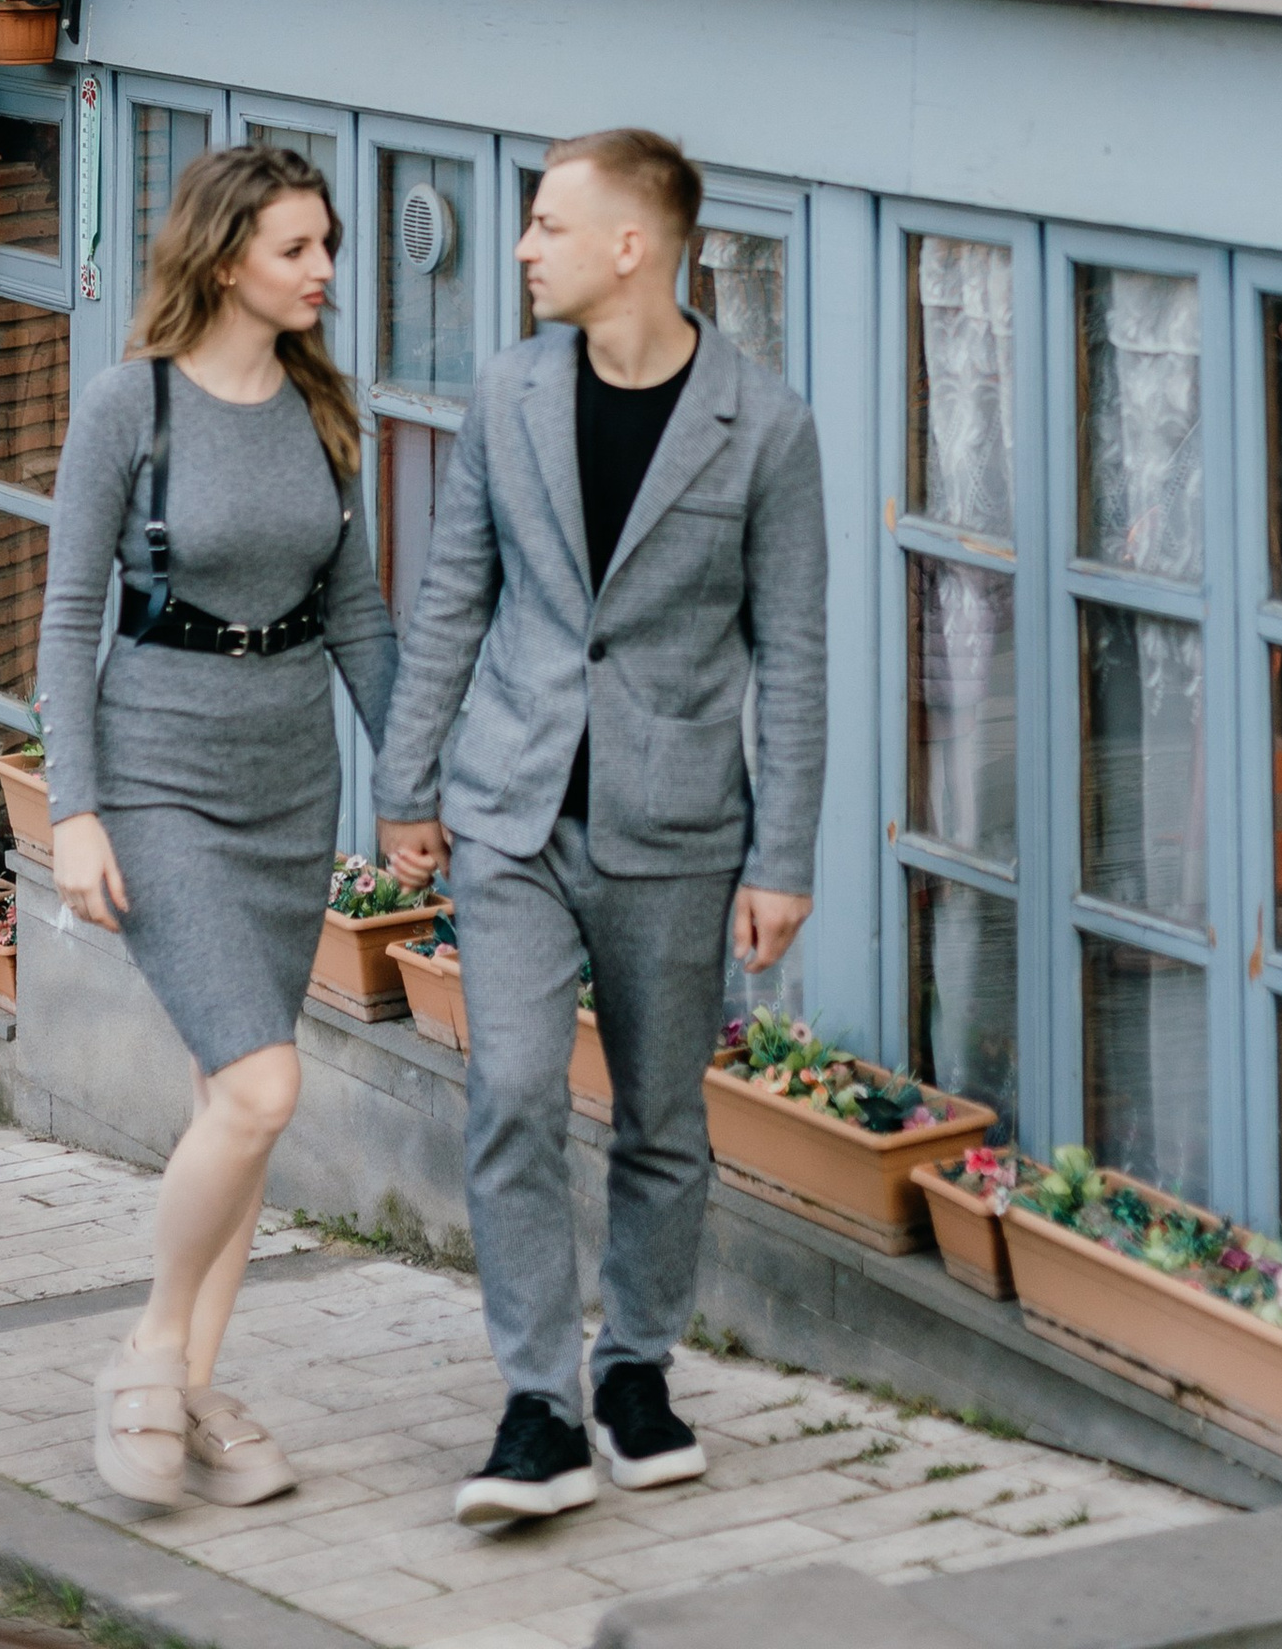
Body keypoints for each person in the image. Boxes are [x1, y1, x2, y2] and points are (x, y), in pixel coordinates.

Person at [374, 128, 827, 1528]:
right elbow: (453, 594)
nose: (524, 247)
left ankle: (635, 1370)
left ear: (632, 246)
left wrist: (784, 859)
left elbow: (795, 655)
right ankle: (537, 1404)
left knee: (661, 1118)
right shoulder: (506, 395)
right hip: (511, 811)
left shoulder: (766, 425)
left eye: (548, 225)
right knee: (512, 1090)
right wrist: (406, 783)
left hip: (677, 826)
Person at [36, 141, 398, 1510]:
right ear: (228, 254)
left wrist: (415, 784)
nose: (322, 271)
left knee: (227, 1108)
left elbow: (358, 616)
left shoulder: (322, 408)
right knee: (262, 1090)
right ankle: (145, 1357)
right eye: (298, 248)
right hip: (159, 779)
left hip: (288, 786)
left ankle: (188, 1386)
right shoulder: (130, 406)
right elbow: (69, 616)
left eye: (327, 247)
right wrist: (76, 808)